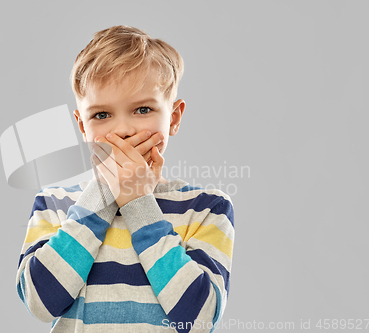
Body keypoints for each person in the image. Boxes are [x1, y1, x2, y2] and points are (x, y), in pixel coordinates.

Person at [16, 25, 235, 333]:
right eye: (101, 115)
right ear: (82, 126)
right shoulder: (54, 203)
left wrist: (137, 202)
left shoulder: (206, 208)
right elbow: (40, 302)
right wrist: (105, 192)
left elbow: (198, 319)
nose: (123, 131)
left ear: (173, 117)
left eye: (142, 109)